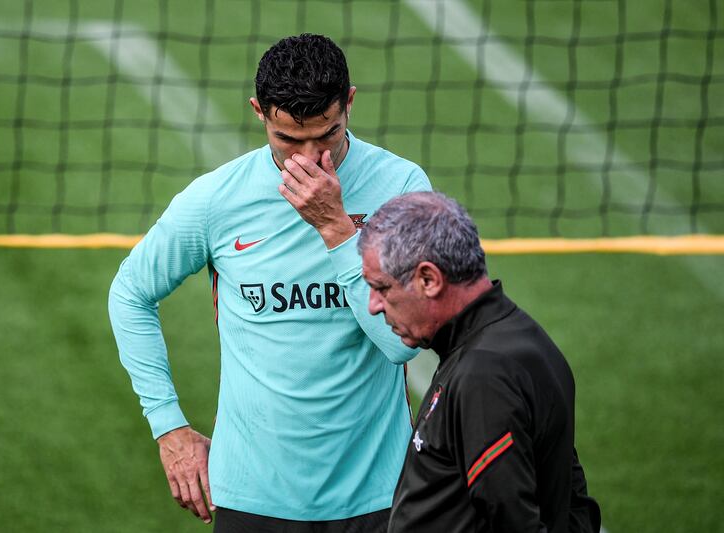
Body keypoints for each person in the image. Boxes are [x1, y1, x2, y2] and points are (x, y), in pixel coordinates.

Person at [108, 34, 431, 531]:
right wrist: (168, 426)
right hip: (252, 499)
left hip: (378, 497)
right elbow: (130, 293)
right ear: (260, 112)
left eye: (327, 135)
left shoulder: (403, 188)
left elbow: (400, 343)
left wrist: (336, 230)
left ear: (349, 103)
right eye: (289, 140)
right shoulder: (216, 199)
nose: (308, 158)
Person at [358, 191, 602, 532]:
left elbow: (513, 522)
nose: (373, 305)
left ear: (429, 279)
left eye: (381, 288)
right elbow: (572, 494)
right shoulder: (515, 336)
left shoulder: (484, 374)